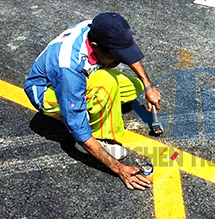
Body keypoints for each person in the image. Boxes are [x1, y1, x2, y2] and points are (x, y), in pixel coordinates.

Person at [24, 12, 161, 190]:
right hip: (49, 91)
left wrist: (148, 85)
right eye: (117, 57)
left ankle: (95, 103)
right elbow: (78, 128)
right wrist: (120, 169)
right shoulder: (69, 68)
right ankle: (100, 135)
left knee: (134, 86)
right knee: (106, 83)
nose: (121, 61)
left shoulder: (98, 28)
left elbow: (128, 54)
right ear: (95, 47)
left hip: (84, 75)